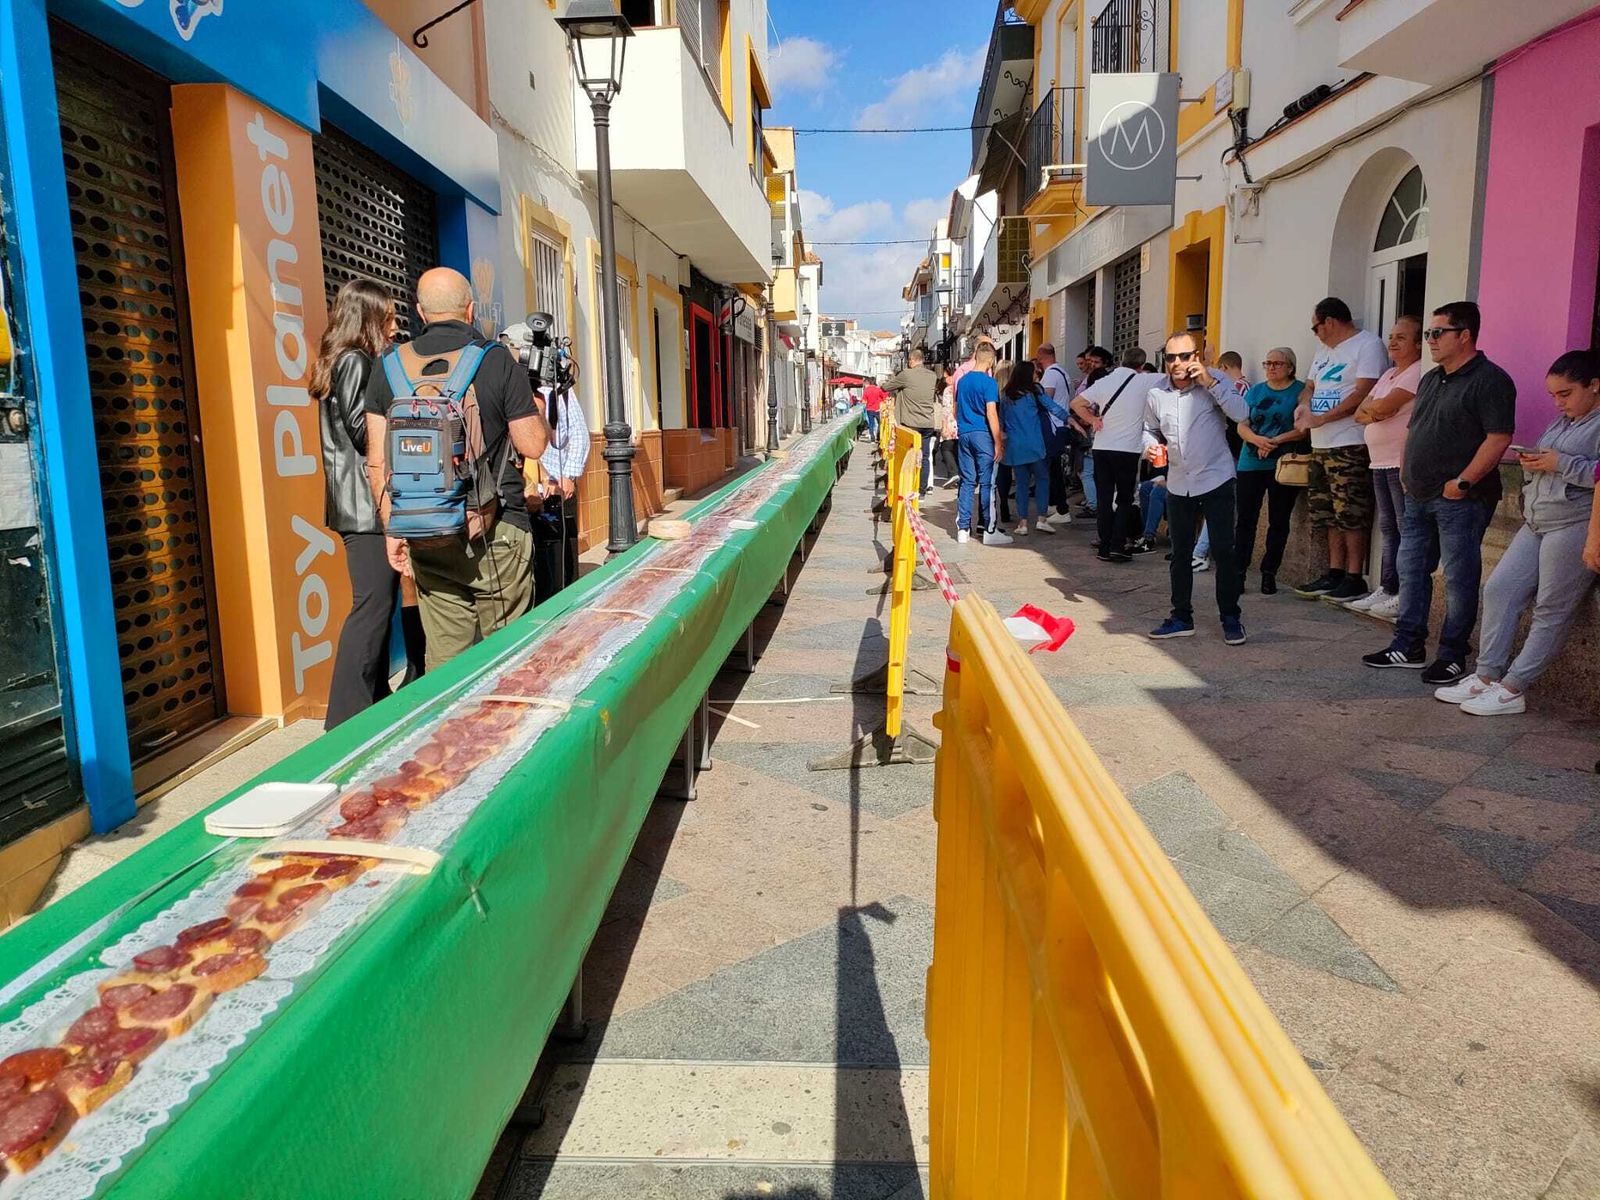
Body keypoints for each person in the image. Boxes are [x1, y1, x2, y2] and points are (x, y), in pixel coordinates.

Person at [364, 267, 550, 671]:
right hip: (496, 530)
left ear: (420, 312)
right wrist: (538, 407)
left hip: (425, 531)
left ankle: (452, 713)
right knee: (507, 660)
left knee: (447, 664)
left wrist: (392, 528)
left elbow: (377, 460)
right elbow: (533, 445)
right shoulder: (496, 360)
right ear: (470, 309)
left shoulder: (389, 366)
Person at [1433, 350, 1600, 714]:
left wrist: (1560, 463)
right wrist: (1536, 462)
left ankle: (1513, 687)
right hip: (1537, 521)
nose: (1558, 403)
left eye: (1566, 393)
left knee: (1551, 609)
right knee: (1499, 589)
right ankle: (1487, 675)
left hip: (1574, 524)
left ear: (1594, 385)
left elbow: (1594, 473)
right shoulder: (1564, 422)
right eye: (1553, 395)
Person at [1362, 301, 1515, 682]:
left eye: (1436, 333)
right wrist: (1405, 470)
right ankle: (1407, 644)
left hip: (1461, 499)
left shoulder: (1490, 380)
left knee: (1459, 579)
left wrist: (1463, 482)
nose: (1429, 339)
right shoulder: (1431, 378)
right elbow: (1413, 429)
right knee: (1411, 570)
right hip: (1417, 493)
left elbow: (1498, 438)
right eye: (1429, 333)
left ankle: (1452, 655)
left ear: (1464, 335)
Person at [316, 279, 423, 729]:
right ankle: (344, 720)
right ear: (369, 319)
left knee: (376, 606)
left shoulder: (346, 361)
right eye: (389, 317)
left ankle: (373, 701)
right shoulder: (355, 361)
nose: (396, 326)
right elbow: (366, 434)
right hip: (365, 507)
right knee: (372, 609)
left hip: (358, 505)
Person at [1143, 329, 1250, 643]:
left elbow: (1242, 413)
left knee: (1223, 551)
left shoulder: (1216, 380)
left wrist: (1210, 382)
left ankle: (1230, 617)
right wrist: (1149, 447)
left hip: (1216, 478)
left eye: (1184, 356)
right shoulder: (1156, 392)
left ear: (1197, 356)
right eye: (1171, 357)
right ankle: (1181, 617)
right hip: (1179, 482)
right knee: (1180, 553)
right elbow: (1148, 429)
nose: (1177, 363)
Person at [1293, 297, 1388, 601]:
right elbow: (1309, 386)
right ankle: (1334, 572)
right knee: (1327, 513)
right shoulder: (1323, 351)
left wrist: (1322, 418)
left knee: (1351, 512)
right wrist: (1305, 407)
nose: (1315, 333)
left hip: (1348, 441)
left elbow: (1364, 392)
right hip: (1320, 443)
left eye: (1316, 327)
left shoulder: (1367, 345)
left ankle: (1354, 575)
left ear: (1330, 322)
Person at [1348, 316, 1424, 617]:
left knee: (1405, 529)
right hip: (1379, 462)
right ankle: (1388, 586)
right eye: (1391, 336)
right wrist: (1377, 412)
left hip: (1398, 462)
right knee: (1388, 528)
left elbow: (1379, 406)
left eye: (1401, 337)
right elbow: (1360, 413)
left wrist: (1378, 411)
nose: (1392, 342)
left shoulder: (1417, 372)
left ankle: (1405, 594)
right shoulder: (1390, 374)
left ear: (1418, 343)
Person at [1073, 346, 1160, 562]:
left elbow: (1076, 403)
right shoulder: (1144, 380)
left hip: (1102, 447)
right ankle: (1117, 546)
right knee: (1124, 498)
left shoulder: (1105, 381)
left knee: (1104, 498)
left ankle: (1104, 546)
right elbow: (1174, 379)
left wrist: (1093, 420)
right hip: (1127, 450)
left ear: (1121, 360)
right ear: (1141, 365)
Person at [1232, 347, 1306, 595]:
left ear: (1290, 367)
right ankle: (1239, 572)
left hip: (1282, 464)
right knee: (1245, 520)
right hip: (1250, 463)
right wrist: (1257, 440)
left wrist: (1274, 441)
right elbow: (1242, 424)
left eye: (1277, 363)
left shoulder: (1299, 391)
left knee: (1279, 521)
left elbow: (1303, 428)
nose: (1271, 367)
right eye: (1268, 363)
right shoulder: (1256, 391)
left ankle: (1269, 572)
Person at [527, 357, 590, 605]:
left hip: (557, 483)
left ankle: (566, 604)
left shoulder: (557, 389)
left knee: (561, 559)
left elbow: (578, 432)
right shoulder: (511, 388)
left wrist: (569, 475)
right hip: (527, 488)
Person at [999, 360, 1070, 537]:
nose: (1036, 374)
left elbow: (1001, 422)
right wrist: (1070, 420)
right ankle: (1041, 519)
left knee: (1021, 484)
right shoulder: (1034, 392)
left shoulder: (1006, 394)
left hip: (1015, 446)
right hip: (1035, 445)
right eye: (1034, 372)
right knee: (1042, 480)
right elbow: (1053, 407)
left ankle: (1022, 523)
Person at [954, 343, 1007, 545]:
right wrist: (998, 442)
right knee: (987, 483)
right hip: (983, 435)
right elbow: (991, 413)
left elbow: (956, 409)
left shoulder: (962, 381)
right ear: (991, 361)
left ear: (975, 356)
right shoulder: (989, 383)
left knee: (967, 482)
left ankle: (963, 529)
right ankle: (988, 528)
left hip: (964, 433)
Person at [883, 349, 940, 495]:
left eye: (909, 361)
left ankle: (909, 489)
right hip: (927, 423)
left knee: (909, 456)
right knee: (925, 456)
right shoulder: (932, 375)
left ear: (912, 360)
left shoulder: (907, 374)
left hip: (911, 423)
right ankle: (922, 490)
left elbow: (886, 387)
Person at [1037, 343, 1075, 517]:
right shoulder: (1063, 372)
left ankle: (1061, 509)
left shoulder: (1051, 375)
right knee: (1054, 468)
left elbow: (1046, 401)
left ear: (1041, 355)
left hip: (1053, 427)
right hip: (1061, 426)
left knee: (1053, 470)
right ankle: (1055, 504)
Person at [862, 378, 886, 444]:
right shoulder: (878, 389)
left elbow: (863, 401)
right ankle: (878, 437)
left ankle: (872, 439)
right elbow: (884, 398)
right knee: (880, 423)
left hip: (869, 409)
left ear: (869, 383)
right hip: (877, 409)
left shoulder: (866, 390)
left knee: (871, 424)